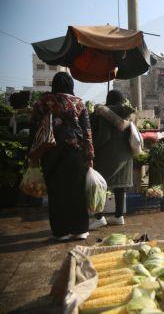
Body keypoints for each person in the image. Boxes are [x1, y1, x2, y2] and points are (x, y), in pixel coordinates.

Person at [29, 72, 94, 241]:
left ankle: (61, 231)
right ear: (71, 85)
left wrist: (32, 155)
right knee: (77, 191)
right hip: (74, 153)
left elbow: (33, 131)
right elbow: (87, 132)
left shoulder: (42, 103)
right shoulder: (78, 103)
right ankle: (80, 229)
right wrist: (89, 157)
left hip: (48, 152)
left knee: (56, 191)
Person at [89, 90, 135, 229]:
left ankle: (99, 217)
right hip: (126, 156)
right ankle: (119, 216)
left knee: (99, 185)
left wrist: (93, 147)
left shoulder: (105, 112)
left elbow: (105, 136)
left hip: (108, 156)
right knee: (120, 186)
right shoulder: (130, 113)